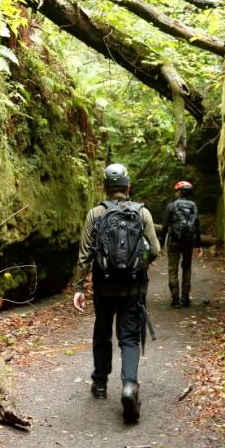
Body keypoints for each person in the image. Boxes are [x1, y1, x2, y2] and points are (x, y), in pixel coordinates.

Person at [71, 163, 160, 424]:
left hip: (103, 287)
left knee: (102, 330)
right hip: (133, 288)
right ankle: (130, 386)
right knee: (130, 337)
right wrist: (137, 266)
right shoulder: (142, 213)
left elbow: (84, 256)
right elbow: (154, 249)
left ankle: (99, 384)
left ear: (105, 188)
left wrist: (79, 288)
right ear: (128, 186)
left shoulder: (95, 214)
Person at [162, 180, 203, 308]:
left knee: (172, 269)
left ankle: (175, 299)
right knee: (187, 268)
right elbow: (197, 226)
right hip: (188, 243)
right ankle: (185, 298)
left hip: (174, 242)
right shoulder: (193, 206)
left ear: (179, 192)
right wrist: (198, 244)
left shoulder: (171, 206)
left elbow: (164, 226)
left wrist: (161, 242)